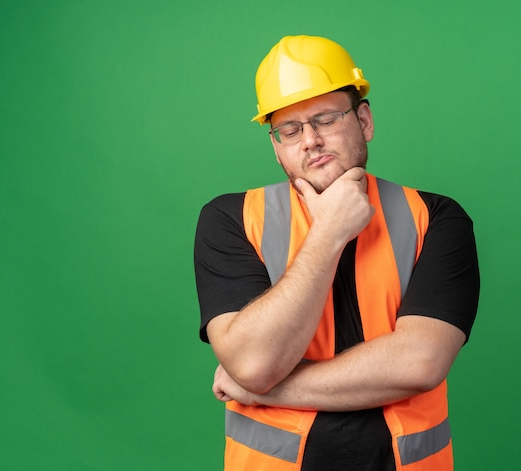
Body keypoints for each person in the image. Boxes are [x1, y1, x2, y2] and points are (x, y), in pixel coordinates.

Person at [194, 35, 480, 471]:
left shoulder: (436, 217)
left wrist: (262, 388)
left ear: (364, 120)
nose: (309, 140)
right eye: (290, 130)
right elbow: (253, 361)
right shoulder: (231, 219)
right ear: (276, 145)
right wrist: (328, 232)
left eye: (326, 119)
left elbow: (420, 362)